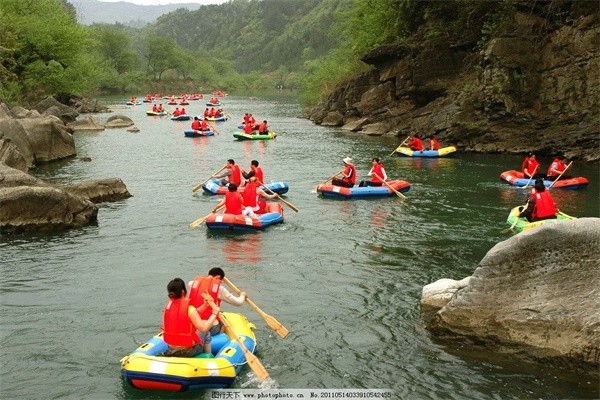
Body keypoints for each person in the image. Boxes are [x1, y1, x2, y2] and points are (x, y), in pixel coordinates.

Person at [161, 278, 220, 357]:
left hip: (171, 348)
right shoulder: (189, 309)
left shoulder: (168, 307)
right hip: (188, 351)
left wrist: (205, 305)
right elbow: (203, 328)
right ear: (183, 291)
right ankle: (208, 357)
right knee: (206, 332)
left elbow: (190, 315)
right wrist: (214, 314)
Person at [188, 267, 246, 337]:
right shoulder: (219, 289)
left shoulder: (192, 283)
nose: (220, 283)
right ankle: (220, 338)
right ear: (218, 277)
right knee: (224, 323)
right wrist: (243, 295)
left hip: (192, 323)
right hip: (210, 327)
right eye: (220, 281)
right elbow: (238, 302)